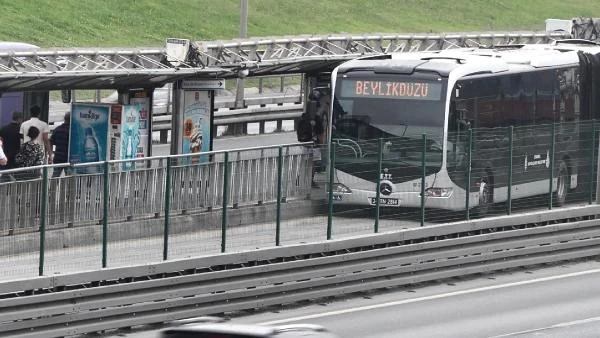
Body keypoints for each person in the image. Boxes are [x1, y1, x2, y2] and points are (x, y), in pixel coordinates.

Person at [0, 111, 23, 181]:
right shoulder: (20, 130)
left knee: (5, 176)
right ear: (19, 119)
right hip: (16, 155)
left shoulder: (3, 128)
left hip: (5, 155)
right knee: (16, 176)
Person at [50, 112, 70, 177]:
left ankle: (52, 187)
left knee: (55, 176)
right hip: (69, 158)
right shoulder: (73, 131)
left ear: (64, 119)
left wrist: (51, 153)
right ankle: (69, 187)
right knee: (69, 177)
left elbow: (51, 141)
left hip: (58, 157)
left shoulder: (57, 129)